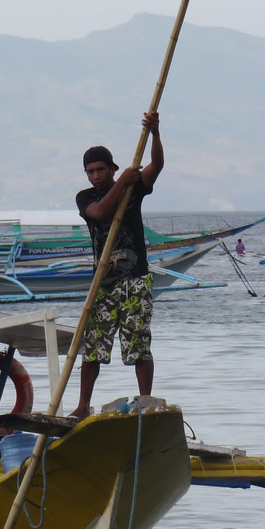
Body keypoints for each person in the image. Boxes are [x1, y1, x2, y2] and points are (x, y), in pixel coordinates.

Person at [69, 111, 164, 420]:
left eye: (101, 170)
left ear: (112, 168)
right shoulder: (85, 197)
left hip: (135, 279)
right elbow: (98, 213)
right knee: (93, 345)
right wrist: (123, 180)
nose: (95, 176)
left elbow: (157, 166)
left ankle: (146, 400)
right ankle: (83, 406)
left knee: (138, 342)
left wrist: (155, 134)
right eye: (90, 171)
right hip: (104, 281)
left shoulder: (133, 189)